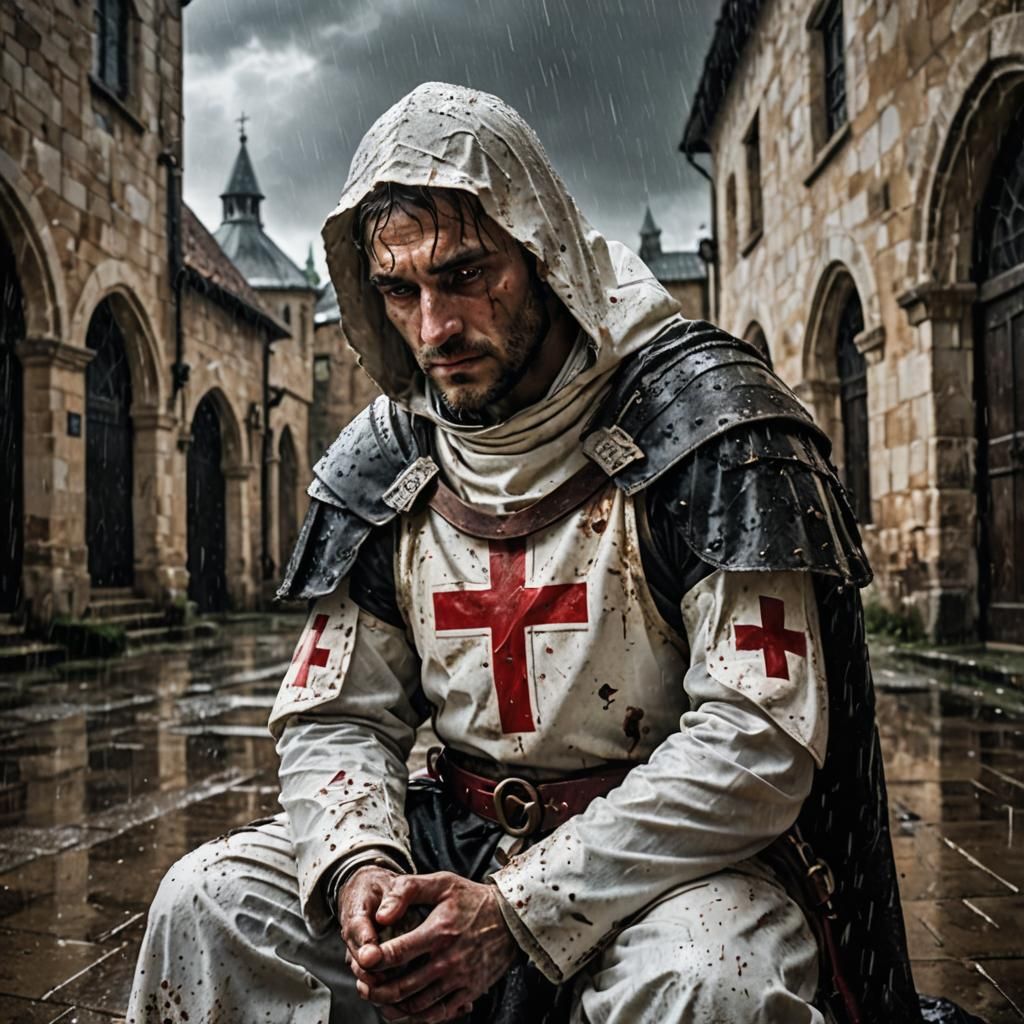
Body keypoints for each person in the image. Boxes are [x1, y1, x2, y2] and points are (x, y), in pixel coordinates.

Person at [128, 82, 931, 1024]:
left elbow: (755, 740)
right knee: (209, 901)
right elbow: (337, 714)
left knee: (714, 980)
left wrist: (518, 910)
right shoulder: (388, 459)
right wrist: (360, 866)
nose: (435, 328)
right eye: (401, 290)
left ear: (542, 253)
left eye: (468, 274)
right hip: (452, 840)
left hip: (671, 867)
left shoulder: (704, 427)